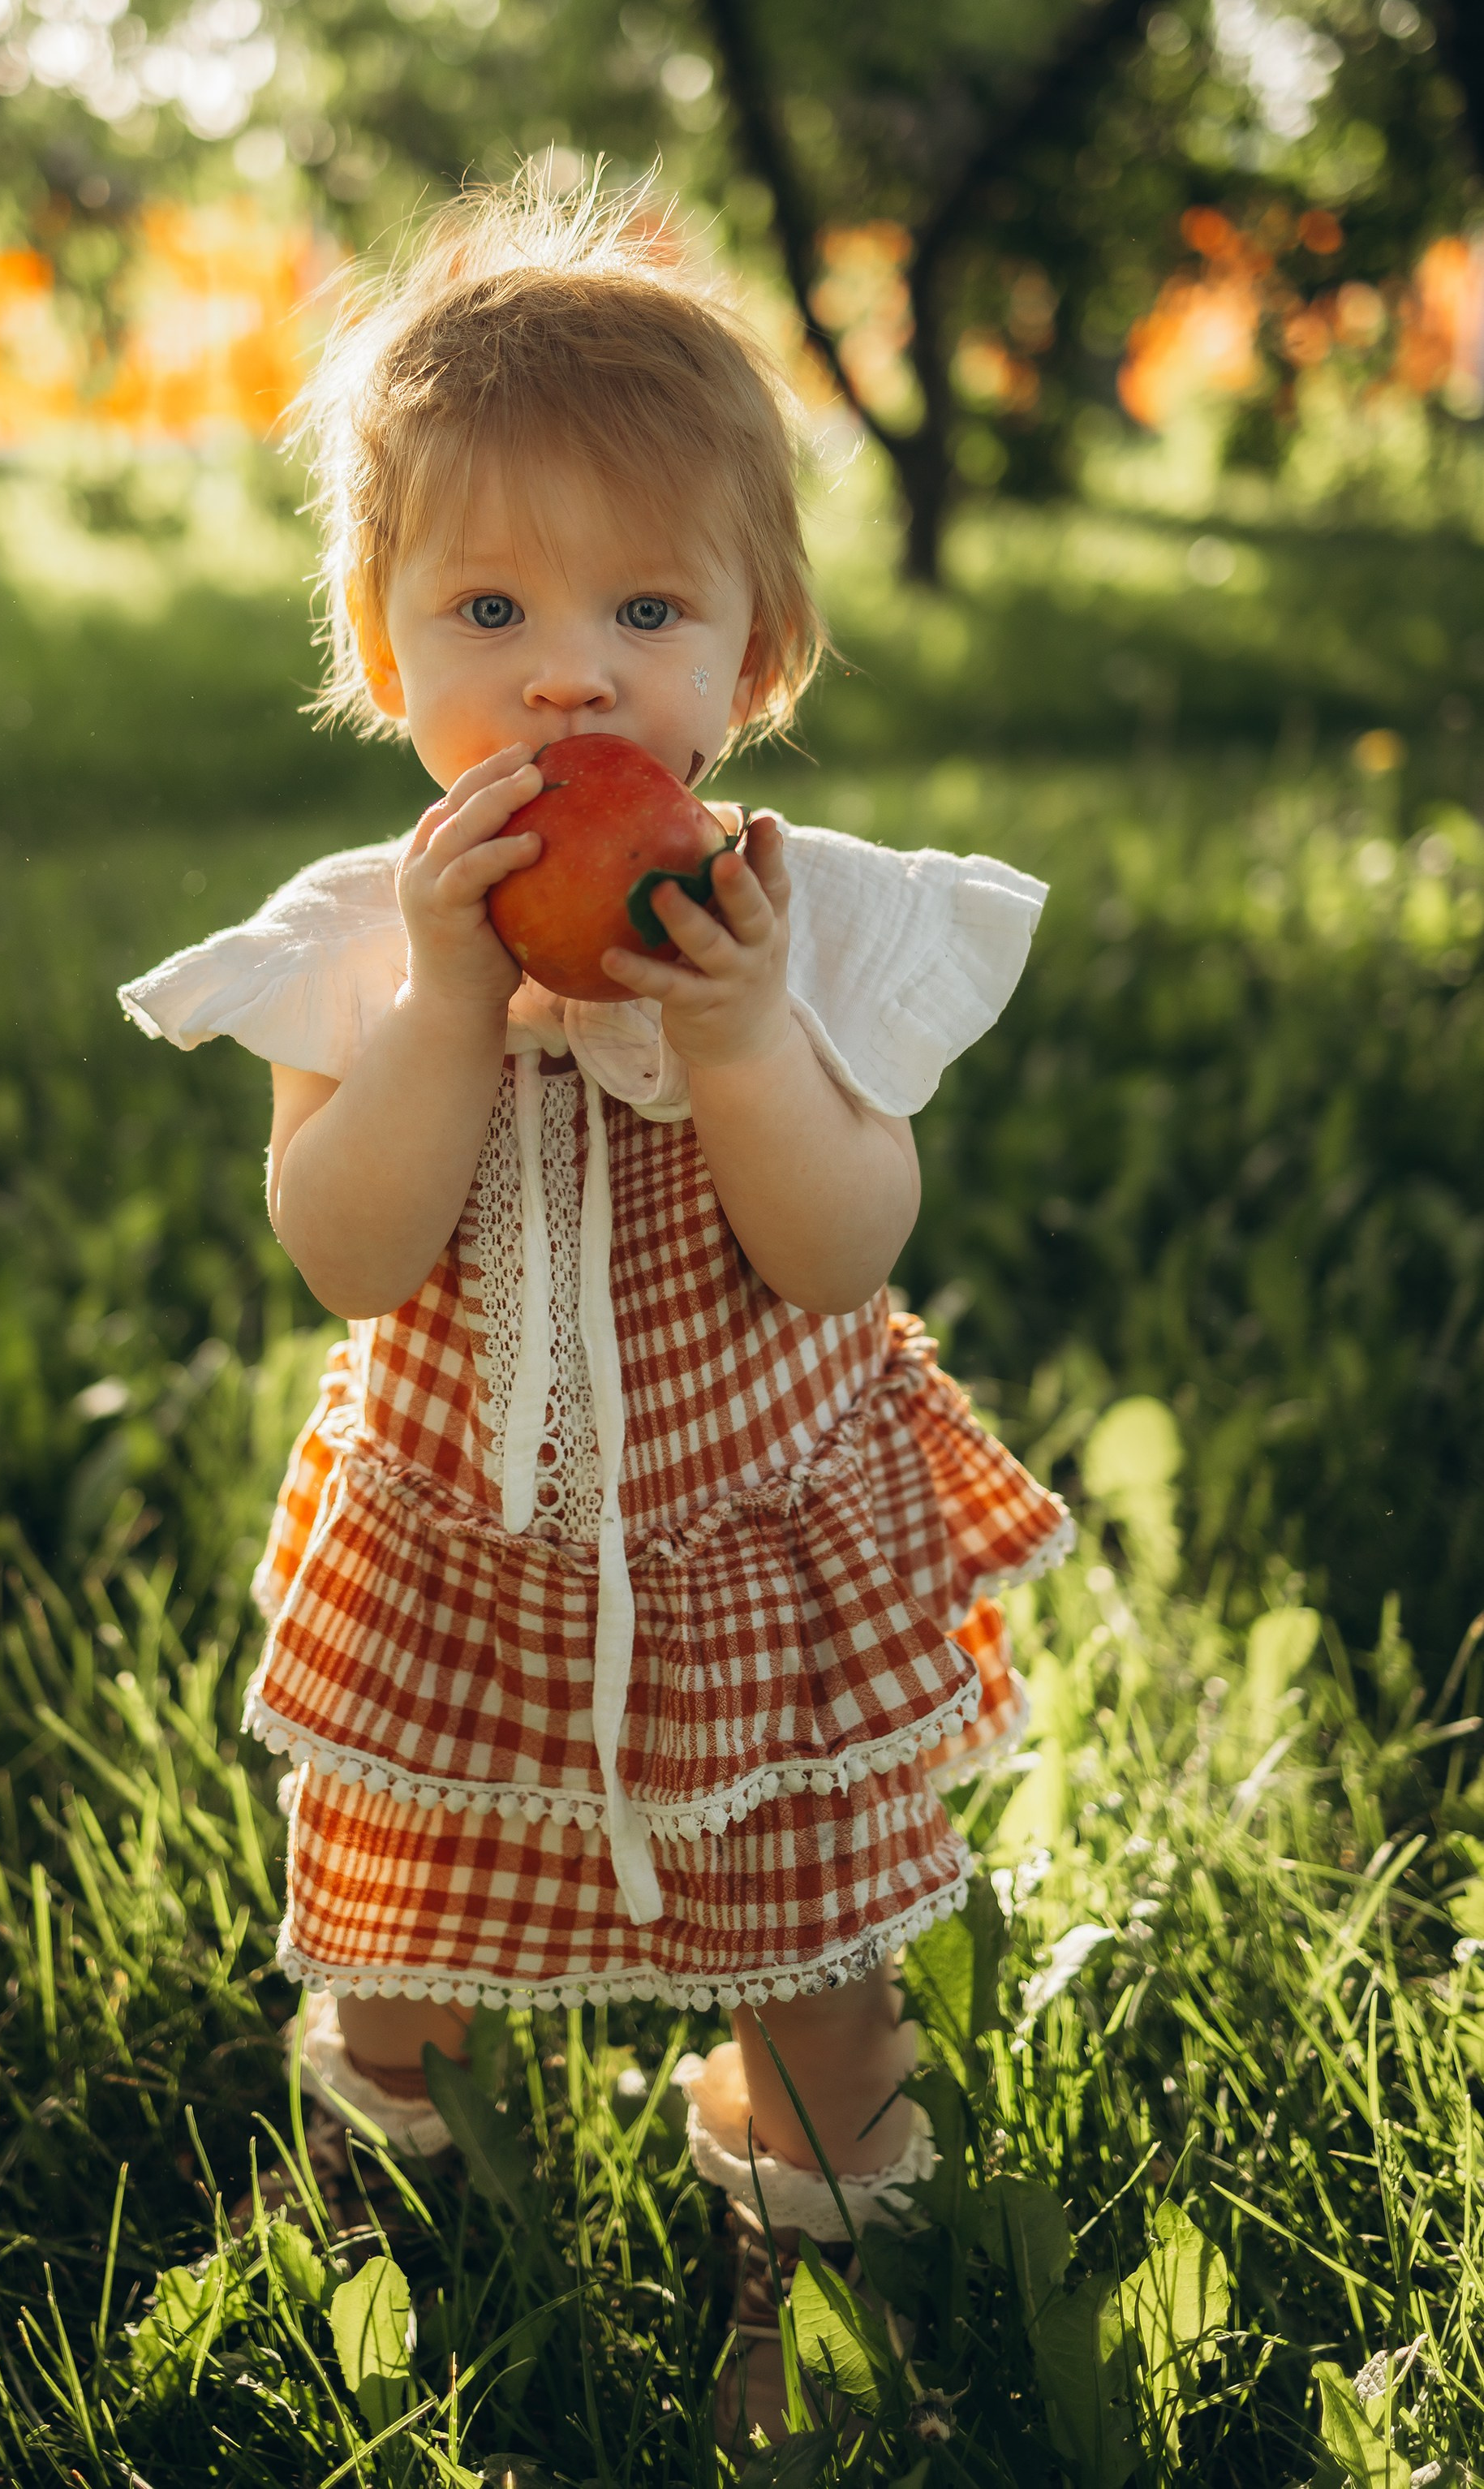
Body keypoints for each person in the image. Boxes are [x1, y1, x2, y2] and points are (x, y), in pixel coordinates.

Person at [119, 174, 1073, 2435]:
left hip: (751, 1552)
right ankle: (376, 2212)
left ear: (753, 659)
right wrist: (450, 1000)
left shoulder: (800, 925)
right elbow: (350, 1251)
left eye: (647, 604)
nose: (570, 665)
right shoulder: (361, 938)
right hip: (467, 1549)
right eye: (491, 603)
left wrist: (740, 1043)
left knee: (821, 1978)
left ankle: (803, 2272)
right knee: (394, 1958)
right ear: (380, 647)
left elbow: (845, 1246)